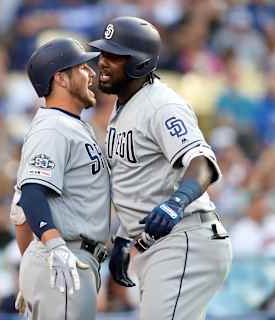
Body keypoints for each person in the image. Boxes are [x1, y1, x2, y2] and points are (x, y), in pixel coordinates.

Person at [89, 16, 233, 320]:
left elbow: (203, 164)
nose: (103, 61)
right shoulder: (126, 103)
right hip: (164, 245)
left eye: (114, 56)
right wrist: (124, 236)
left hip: (185, 239)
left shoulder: (162, 105)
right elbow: (140, 179)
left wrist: (177, 202)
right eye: (103, 53)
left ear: (140, 63)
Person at [9, 38, 111, 319]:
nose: (91, 73)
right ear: (61, 79)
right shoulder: (53, 128)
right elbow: (30, 195)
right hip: (64, 258)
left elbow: (19, 212)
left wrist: (31, 265)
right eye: (82, 67)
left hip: (63, 260)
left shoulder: (68, 125)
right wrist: (52, 250)